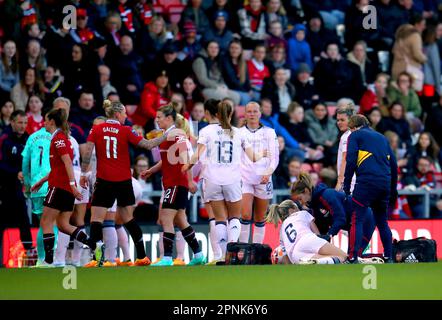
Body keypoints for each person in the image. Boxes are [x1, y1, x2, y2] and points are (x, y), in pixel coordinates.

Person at [79, 100, 170, 267]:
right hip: (123, 181)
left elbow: (87, 153)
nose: (126, 117)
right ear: (117, 114)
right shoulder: (126, 130)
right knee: (128, 219)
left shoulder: (96, 129)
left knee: (96, 219)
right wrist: (167, 135)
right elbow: (149, 145)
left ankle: (96, 258)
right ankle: (142, 257)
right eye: (124, 114)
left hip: (104, 180)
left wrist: (84, 174)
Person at [183, 101, 267, 263]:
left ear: (217, 114)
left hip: (212, 180)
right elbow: (253, 157)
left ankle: (220, 256)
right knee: (234, 217)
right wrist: (263, 153)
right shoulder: (238, 133)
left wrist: (188, 166)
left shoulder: (206, 130)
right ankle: (232, 254)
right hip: (232, 180)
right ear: (231, 114)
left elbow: (197, 155)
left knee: (219, 219)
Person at [140, 103, 207, 266]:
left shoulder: (176, 134)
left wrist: (190, 180)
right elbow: (167, 160)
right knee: (180, 220)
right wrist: (151, 170)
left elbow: (185, 156)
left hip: (177, 182)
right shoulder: (166, 135)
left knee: (165, 218)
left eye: (159, 117)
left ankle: (167, 258)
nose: (156, 120)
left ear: (169, 118)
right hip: (173, 182)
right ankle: (198, 255)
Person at [30, 108, 91, 267]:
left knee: (45, 221)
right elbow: (58, 167)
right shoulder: (60, 137)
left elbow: (67, 163)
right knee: (64, 225)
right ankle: (91, 242)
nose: (44, 123)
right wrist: (42, 181)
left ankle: (48, 260)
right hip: (63, 187)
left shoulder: (59, 138)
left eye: (46, 120)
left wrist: (73, 186)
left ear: (52, 121)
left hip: (59, 187)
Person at [344, 114, 398, 263]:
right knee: (382, 222)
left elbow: (350, 161)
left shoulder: (355, 136)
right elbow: (394, 165)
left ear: (353, 127)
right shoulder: (382, 137)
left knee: (357, 219)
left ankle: (353, 256)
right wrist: (393, 189)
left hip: (366, 183)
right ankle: (389, 256)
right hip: (385, 184)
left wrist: (347, 185)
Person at [291, 173, 376, 258]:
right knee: (351, 258)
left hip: (364, 219)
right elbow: (322, 229)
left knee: (354, 257)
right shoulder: (314, 206)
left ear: (306, 191)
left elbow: (340, 218)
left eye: (300, 198)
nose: (300, 203)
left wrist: (329, 234)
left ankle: (384, 257)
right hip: (353, 224)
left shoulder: (327, 195)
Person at [239, 102, 279, 244]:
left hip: (263, 178)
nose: (252, 114)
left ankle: (256, 249)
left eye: (255, 111)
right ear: (245, 114)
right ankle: (242, 249)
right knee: (245, 214)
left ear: (260, 113)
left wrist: (268, 173)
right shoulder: (239, 133)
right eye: (249, 111)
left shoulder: (269, 132)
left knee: (260, 217)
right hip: (244, 178)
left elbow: (275, 158)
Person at [266, 199, 347, 264]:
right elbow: (317, 234)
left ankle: (319, 262)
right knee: (343, 256)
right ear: (291, 210)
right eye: (297, 207)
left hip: (295, 256)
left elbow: (284, 254)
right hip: (307, 239)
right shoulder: (302, 213)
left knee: (330, 259)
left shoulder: (282, 229)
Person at [21, 112, 54, 264]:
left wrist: (27, 184)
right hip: (52, 185)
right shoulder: (56, 137)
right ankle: (53, 260)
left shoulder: (32, 137)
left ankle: (41, 260)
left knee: (43, 223)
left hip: (36, 187)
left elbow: (25, 163)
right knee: (54, 224)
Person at [0, 110, 33, 257]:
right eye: (20, 122)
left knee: (24, 220)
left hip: (20, 188)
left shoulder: (28, 140)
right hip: (4, 187)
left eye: (25, 123)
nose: (23, 126)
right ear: (12, 122)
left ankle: (29, 254)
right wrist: (16, 173)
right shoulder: (4, 139)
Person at [335, 103, 356, 192]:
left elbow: (345, 158)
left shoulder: (346, 136)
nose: (339, 123)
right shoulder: (356, 134)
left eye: (342, 120)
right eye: (338, 120)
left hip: (347, 181)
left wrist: (339, 181)